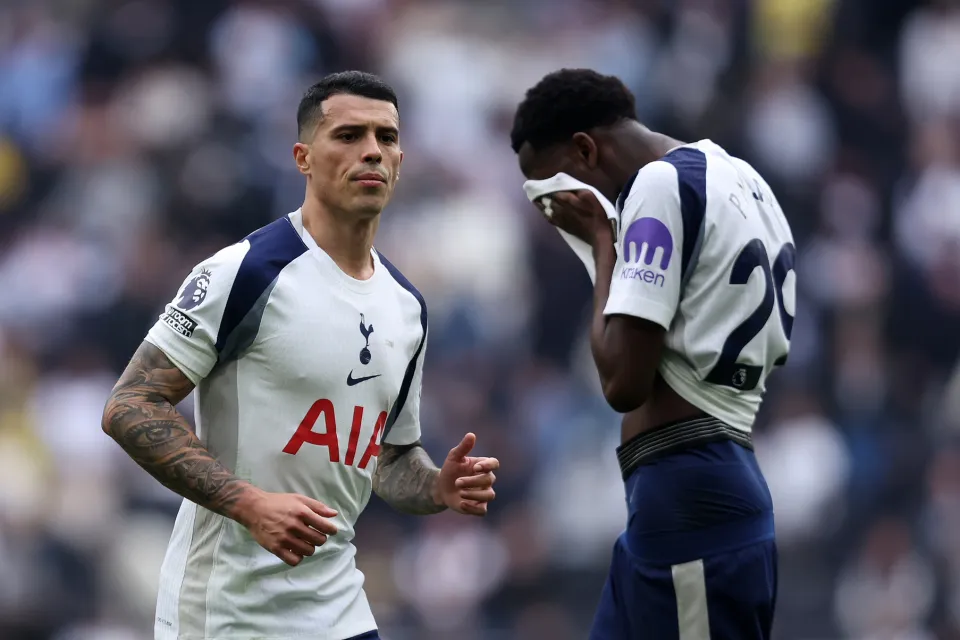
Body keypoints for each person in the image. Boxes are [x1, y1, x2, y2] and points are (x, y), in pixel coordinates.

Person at [101, 70, 500, 640]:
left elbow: (386, 459)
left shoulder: (406, 306)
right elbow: (131, 405)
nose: (371, 151)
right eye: (348, 135)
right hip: (226, 614)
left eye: (386, 138)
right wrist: (248, 503)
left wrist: (437, 486)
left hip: (339, 609)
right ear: (303, 157)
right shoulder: (243, 273)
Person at [511, 68, 794, 639]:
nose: (555, 208)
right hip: (692, 495)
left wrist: (600, 241)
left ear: (586, 150)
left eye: (550, 187)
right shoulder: (742, 177)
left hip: (691, 498)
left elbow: (622, 382)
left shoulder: (658, 186)